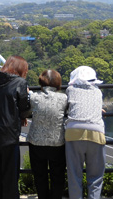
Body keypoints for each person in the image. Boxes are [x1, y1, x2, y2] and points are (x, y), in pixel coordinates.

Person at [0, 55, 30, 199]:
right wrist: (23, 114)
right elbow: (24, 106)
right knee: (10, 174)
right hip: (9, 134)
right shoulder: (20, 82)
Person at [64, 66, 106, 199]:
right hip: (96, 131)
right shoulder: (97, 92)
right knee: (96, 175)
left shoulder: (70, 90)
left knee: (74, 174)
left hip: (74, 131)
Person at [26, 69, 67, 199]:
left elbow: (26, 111)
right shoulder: (64, 98)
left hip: (36, 142)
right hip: (57, 142)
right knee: (58, 175)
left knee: (40, 176)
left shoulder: (34, 97)